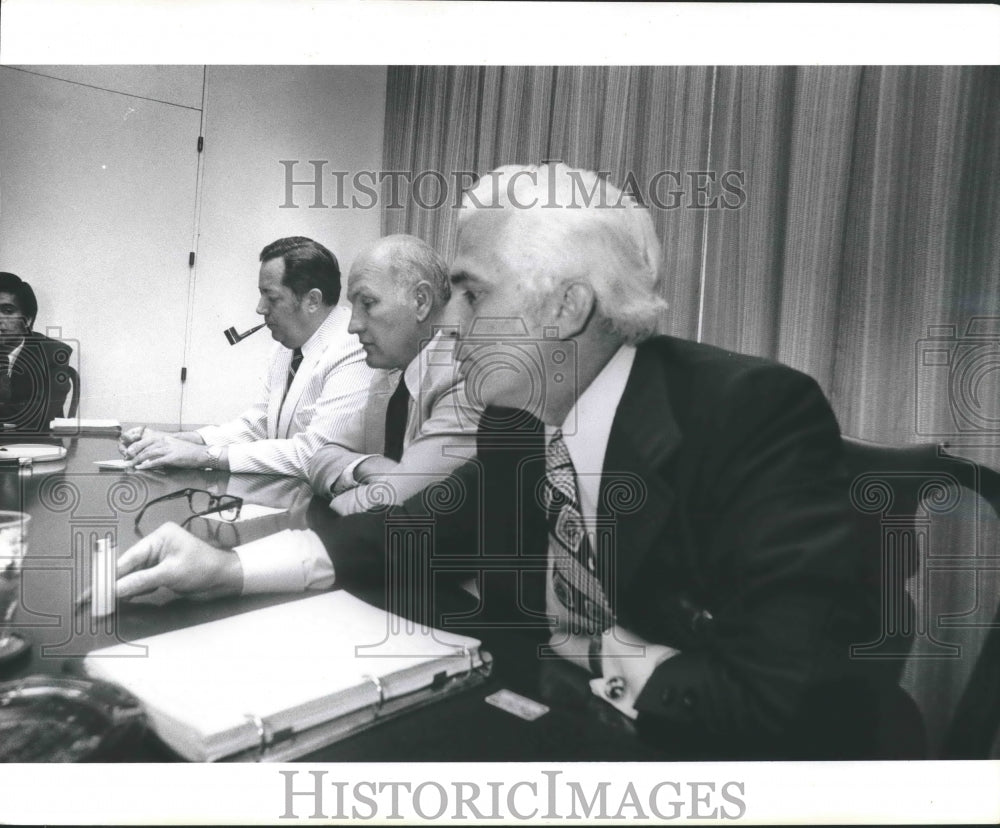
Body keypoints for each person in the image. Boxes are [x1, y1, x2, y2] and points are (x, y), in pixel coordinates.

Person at [104, 165, 877, 758]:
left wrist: (597, 651)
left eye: (471, 294)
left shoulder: (751, 412)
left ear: (564, 307)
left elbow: (783, 697)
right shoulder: (521, 420)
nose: (449, 321)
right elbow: (415, 534)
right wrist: (228, 568)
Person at [120, 237, 385, 478]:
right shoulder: (287, 346)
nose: (260, 308)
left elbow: (315, 454)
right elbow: (257, 426)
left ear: (312, 300)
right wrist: (176, 440)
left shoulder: (355, 346)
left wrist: (202, 456)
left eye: (271, 297)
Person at [309, 233, 480, 515]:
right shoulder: (390, 377)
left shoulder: (463, 374)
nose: (353, 326)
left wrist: (345, 496)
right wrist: (367, 466)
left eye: (368, 303)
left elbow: (398, 503)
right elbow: (320, 459)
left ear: (420, 301)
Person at [0, 272, 73, 434]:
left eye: (7, 311)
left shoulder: (54, 354)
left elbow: (38, 413)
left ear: (27, 320)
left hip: (37, 447)